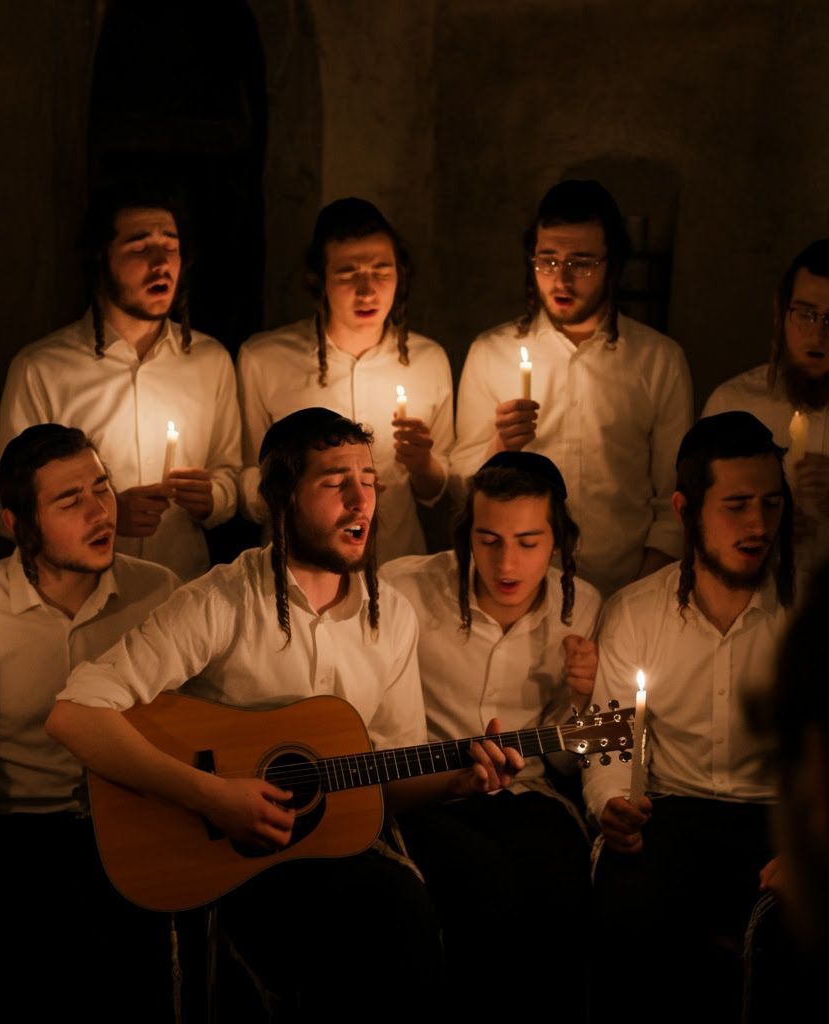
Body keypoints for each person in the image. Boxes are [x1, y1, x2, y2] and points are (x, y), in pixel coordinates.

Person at [46, 408, 522, 1021]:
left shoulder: (392, 616)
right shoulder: (221, 600)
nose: (360, 501)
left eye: (368, 481)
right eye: (335, 482)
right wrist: (212, 796)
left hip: (332, 838)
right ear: (281, 499)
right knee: (392, 914)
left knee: (490, 886)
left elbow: (385, 775)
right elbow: (75, 714)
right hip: (233, 854)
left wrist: (459, 779)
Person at [0, 424, 179, 1016]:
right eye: (70, 501)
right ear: (17, 523)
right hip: (22, 838)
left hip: (140, 822)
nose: (100, 513)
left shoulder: (159, 592)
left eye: (103, 488)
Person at [583, 412, 793, 1024]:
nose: (758, 526)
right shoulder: (634, 613)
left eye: (771, 504)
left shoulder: (806, 613)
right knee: (629, 908)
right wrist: (611, 801)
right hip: (670, 810)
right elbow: (609, 737)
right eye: (737, 506)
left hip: (777, 816)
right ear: (685, 509)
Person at [383, 451, 600, 1018]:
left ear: (558, 542)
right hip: (430, 792)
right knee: (483, 888)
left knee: (563, 886)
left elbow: (566, 764)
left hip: (527, 792)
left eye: (528, 542)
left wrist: (582, 700)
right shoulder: (403, 589)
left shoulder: (582, 605)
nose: (507, 563)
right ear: (466, 537)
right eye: (488, 540)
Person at [452, 179, 693, 596]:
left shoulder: (658, 360)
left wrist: (639, 594)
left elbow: (674, 497)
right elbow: (462, 489)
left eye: (581, 263)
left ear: (613, 265)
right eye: (547, 261)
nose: (561, 278)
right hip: (519, 591)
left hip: (625, 586)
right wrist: (499, 446)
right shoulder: (492, 353)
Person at [0, 182, 241, 581]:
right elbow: (4, 509)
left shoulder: (210, 361)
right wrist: (106, 513)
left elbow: (229, 472)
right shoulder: (43, 368)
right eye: (140, 248)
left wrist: (213, 497)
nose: (161, 263)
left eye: (171, 247)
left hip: (182, 587)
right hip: (82, 593)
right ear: (101, 260)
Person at [237, 198, 454, 560]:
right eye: (348, 273)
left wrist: (422, 464)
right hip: (297, 567)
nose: (367, 290)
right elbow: (247, 487)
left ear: (400, 274)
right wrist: (308, 485)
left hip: (395, 564)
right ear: (319, 279)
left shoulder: (428, 360)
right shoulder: (264, 360)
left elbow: (435, 491)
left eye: (381, 271)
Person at [704, 239, 829, 581]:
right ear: (780, 310)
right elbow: (695, 519)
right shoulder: (734, 404)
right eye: (804, 314)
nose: (817, 335)